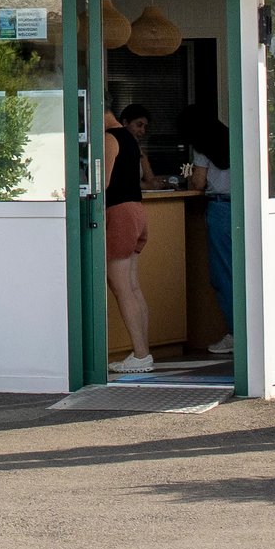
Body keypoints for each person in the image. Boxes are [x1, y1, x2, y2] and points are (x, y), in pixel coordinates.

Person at [178, 111, 238, 362]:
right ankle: (248, 330)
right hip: (242, 207)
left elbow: (199, 183)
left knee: (223, 273)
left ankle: (235, 332)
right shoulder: (235, 139)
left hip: (220, 208)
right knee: (242, 271)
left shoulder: (202, 149)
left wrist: (189, 177)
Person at [103, 103, 156, 375]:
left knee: (121, 287)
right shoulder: (129, 138)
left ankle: (141, 354)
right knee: (133, 287)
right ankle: (142, 351)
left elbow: (102, 182)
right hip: (136, 211)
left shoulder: (110, 138)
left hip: (119, 213)